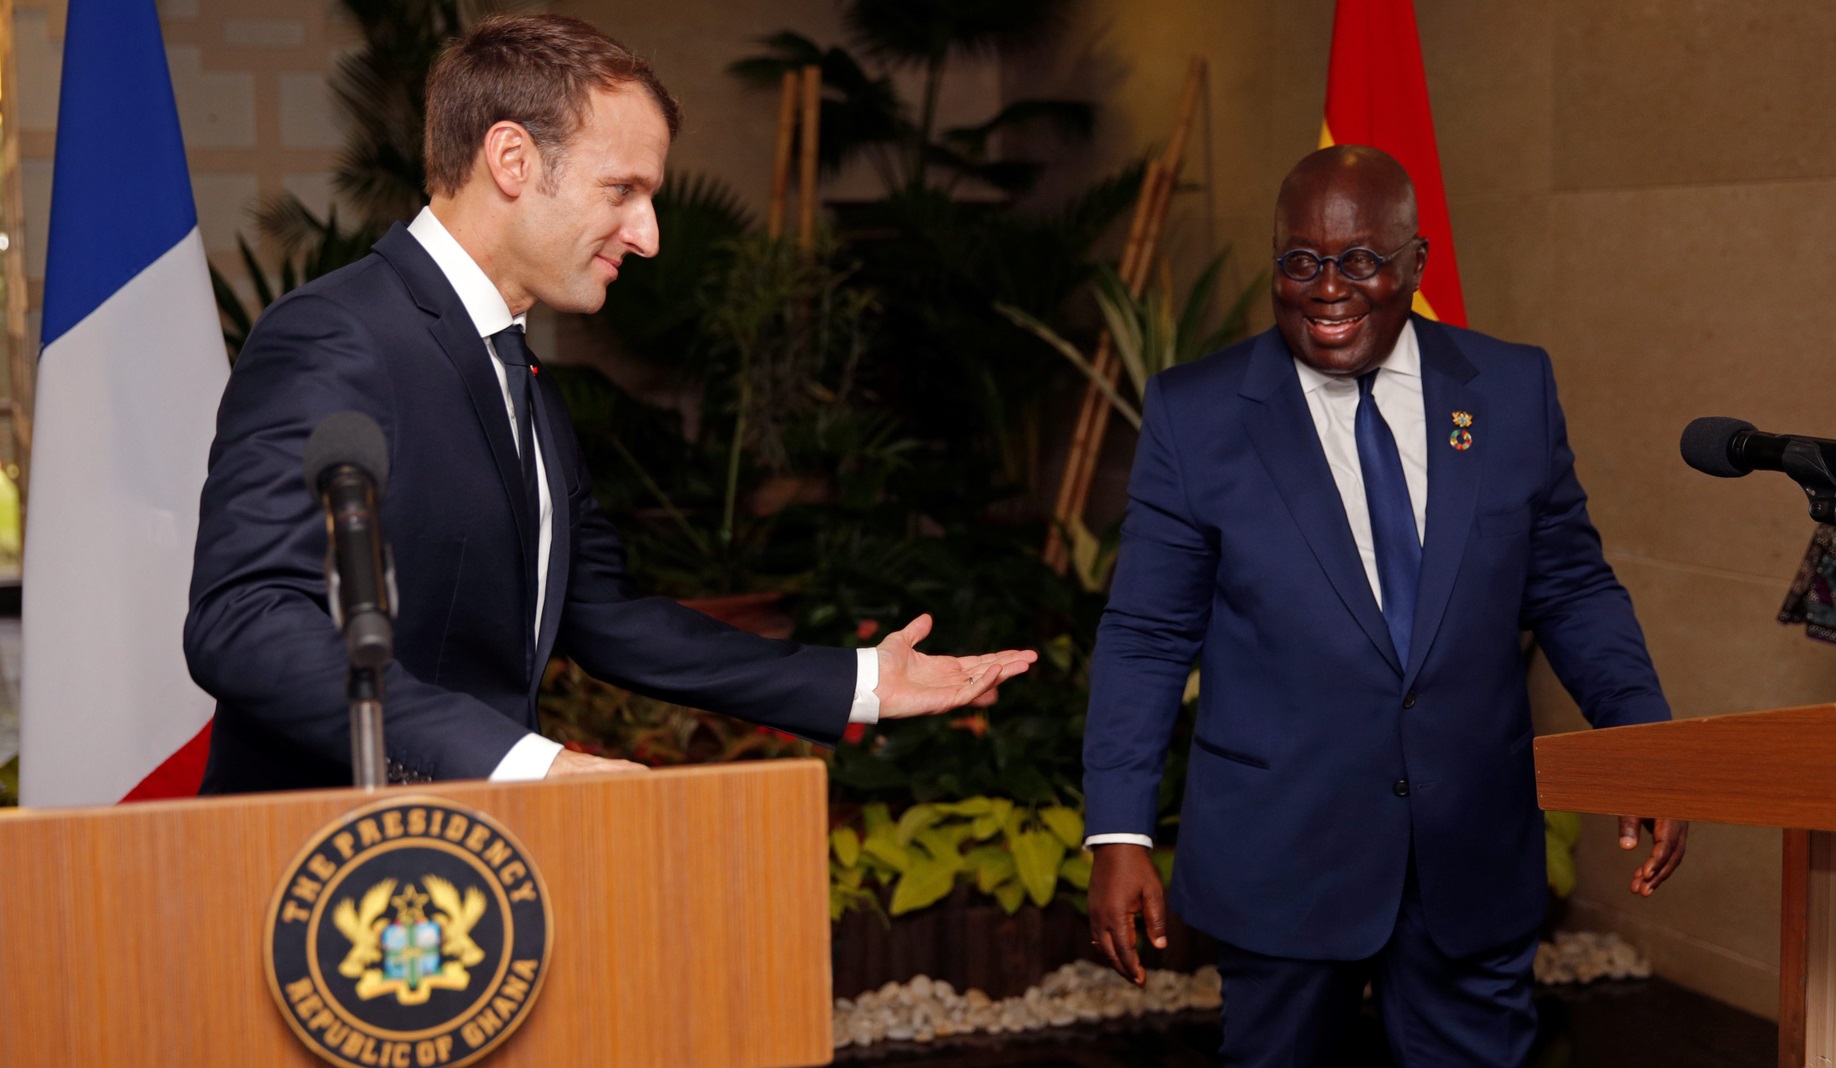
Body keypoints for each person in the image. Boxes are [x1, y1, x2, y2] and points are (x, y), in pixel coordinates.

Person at [184, 14, 1035, 794]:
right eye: (622, 190)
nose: (650, 233)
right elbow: (247, 620)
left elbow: (605, 616)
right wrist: (526, 765)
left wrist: (860, 682)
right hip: (327, 871)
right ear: (512, 160)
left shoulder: (519, 372)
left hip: (467, 866)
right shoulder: (339, 334)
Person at [1080, 145, 1687, 1067]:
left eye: (1361, 259)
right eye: (1301, 261)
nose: (1329, 288)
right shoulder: (1194, 414)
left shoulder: (1512, 390)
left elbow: (1569, 584)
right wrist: (1118, 831)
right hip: (1281, 855)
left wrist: (1640, 738)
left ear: (1416, 264)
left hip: (1471, 850)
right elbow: (1148, 634)